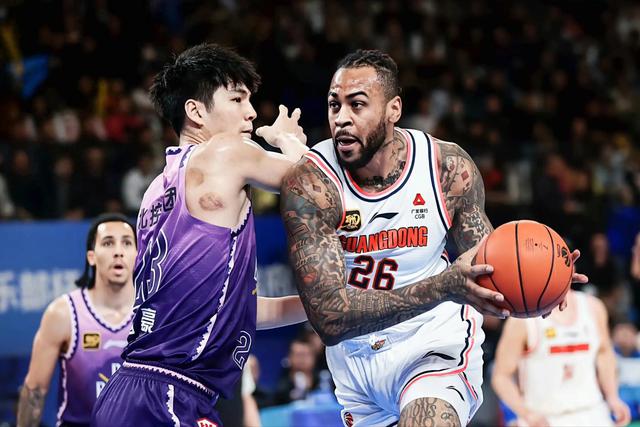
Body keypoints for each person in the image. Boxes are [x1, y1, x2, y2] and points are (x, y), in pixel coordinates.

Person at [280, 49, 586, 426]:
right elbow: (330, 319)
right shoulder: (311, 183)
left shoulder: (446, 168)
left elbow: (490, 267)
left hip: (432, 344)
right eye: (334, 105)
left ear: (393, 109)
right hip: (355, 367)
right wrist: (443, 286)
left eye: (357, 105)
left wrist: (545, 279)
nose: (341, 117)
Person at [91, 43, 309, 426]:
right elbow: (312, 182)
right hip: (169, 395)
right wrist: (287, 139)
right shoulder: (226, 151)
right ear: (195, 112)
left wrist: (320, 304)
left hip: (131, 392)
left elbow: (227, 311)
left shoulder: (154, 193)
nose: (251, 112)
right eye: (237, 98)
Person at [17, 213, 136, 427]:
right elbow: (35, 390)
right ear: (91, 257)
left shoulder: (154, 313)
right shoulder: (63, 314)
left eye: (127, 243)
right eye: (108, 243)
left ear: (138, 254)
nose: (118, 251)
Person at [491, 290, 631, 427]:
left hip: (592, 412)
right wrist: (526, 413)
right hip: (543, 418)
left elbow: (604, 353)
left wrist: (613, 397)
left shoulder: (593, 307)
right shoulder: (522, 318)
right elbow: (501, 376)